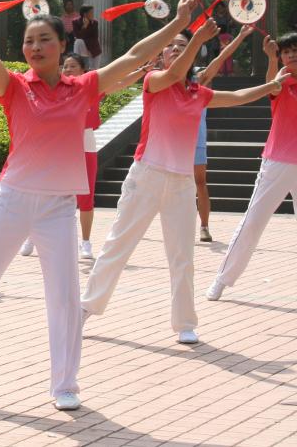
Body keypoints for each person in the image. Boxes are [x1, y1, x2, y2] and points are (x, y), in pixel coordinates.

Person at [0, 0, 203, 410]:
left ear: (63, 45)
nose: (35, 47)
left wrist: (178, 23)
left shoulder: (82, 87)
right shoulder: (14, 86)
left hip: (58, 207)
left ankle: (65, 384)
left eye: (45, 39)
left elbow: (134, 56)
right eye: (29, 41)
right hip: (12, 200)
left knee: (64, 298)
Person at [81, 21, 288, 345]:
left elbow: (236, 96)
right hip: (146, 177)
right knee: (117, 247)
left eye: (182, 45)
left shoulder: (198, 93)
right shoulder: (154, 81)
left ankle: (185, 323)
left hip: (181, 183)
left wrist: (271, 85)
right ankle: (85, 308)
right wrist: (197, 40)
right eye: (171, 46)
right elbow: (176, 73)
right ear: (161, 55)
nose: (175, 49)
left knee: (182, 257)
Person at [20, 54, 145, 260]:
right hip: (59, 145)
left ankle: (85, 242)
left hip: (85, 143)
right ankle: (33, 236)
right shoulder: (56, 90)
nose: (68, 69)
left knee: (86, 197)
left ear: (83, 70)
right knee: (46, 192)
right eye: (65, 66)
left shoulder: (91, 90)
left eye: (72, 66)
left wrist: (142, 71)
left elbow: (120, 82)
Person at [207, 33, 296, 301]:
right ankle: (222, 279)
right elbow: (272, 87)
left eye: (295, 50)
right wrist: (271, 59)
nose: (291, 55)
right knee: (252, 223)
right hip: (276, 162)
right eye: (286, 52)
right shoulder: (281, 80)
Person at [193, 26, 255, 242]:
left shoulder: (197, 81)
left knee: (200, 183)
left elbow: (220, 58)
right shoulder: (167, 79)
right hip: (172, 143)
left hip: (196, 141)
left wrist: (240, 36)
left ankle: (204, 226)